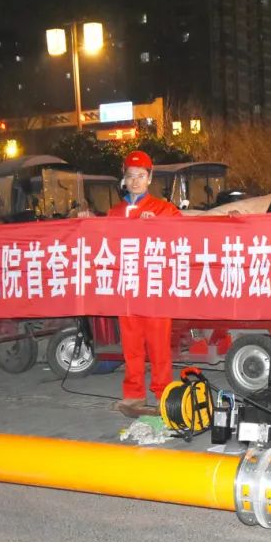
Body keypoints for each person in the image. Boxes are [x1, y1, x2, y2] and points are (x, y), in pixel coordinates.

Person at [103, 150, 181, 418]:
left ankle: (163, 395)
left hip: (155, 288)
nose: (135, 181)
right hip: (128, 288)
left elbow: (183, 238)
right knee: (131, 345)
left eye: (140, 175)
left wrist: (159, 226)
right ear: (124, 179)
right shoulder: (114, 212)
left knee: (159, 345)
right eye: (130, 176)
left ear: (149, 178)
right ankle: (133, 394)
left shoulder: (164, 209)